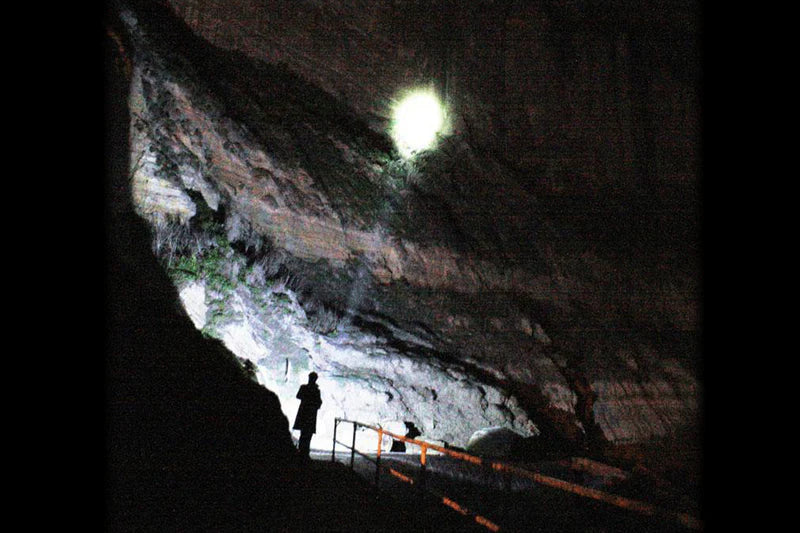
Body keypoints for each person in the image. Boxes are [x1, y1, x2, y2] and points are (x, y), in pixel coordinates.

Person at [293, 372, 322, 458]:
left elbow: (298, 396)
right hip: (310, 414)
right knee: (308, 434)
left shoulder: (304, 388)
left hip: (304, 413)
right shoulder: (316, 390)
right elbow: (318, 402)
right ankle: (304, 452)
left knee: (304, 433)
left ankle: (302, 451)